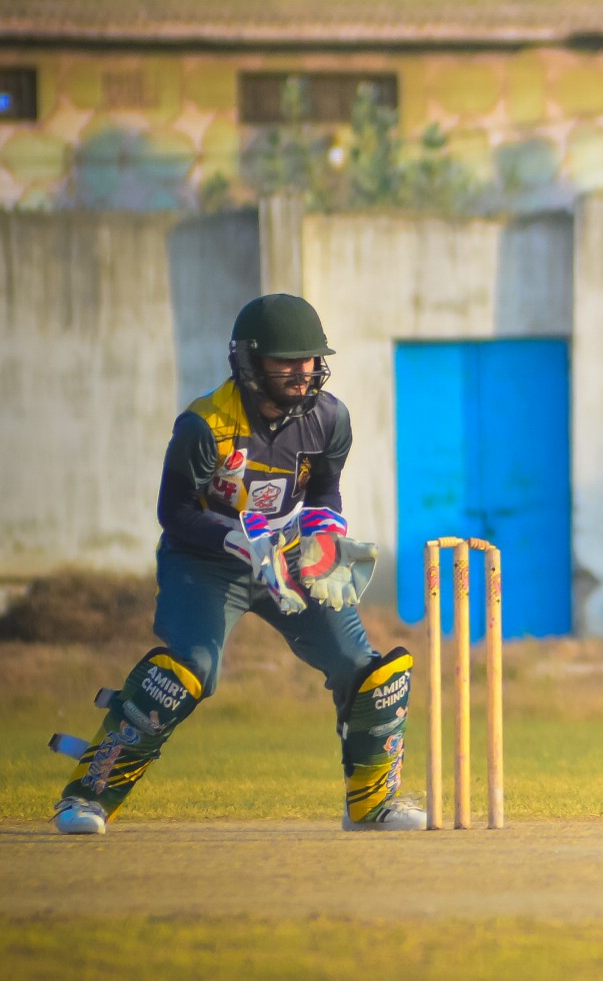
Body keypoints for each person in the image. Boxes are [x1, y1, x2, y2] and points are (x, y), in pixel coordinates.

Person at [50, 294, 423, 834]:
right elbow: (175, 513)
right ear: (248, 361)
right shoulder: (204, 424)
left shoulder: (330, 418)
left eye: (309, 359)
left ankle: (371, 806)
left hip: (285, 558)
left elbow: (324, 490)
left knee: (366, 669)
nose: (301, 371)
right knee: (188, 671)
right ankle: (87, 797)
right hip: (203, 560)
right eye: (285, 360)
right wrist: (238, 540)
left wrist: (325, 536)